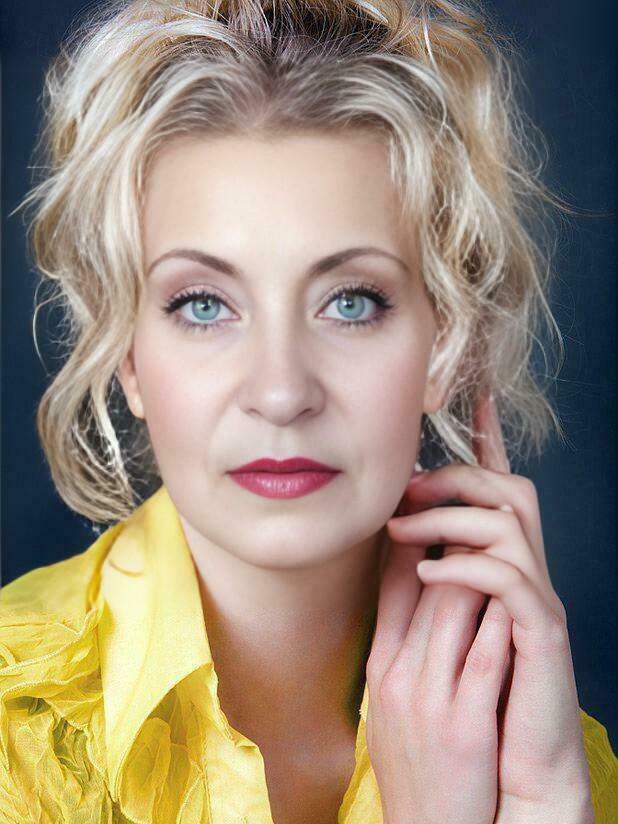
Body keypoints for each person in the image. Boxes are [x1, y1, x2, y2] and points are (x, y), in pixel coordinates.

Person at [1, 1, 616, 822]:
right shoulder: (13, 734)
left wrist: (546, 801)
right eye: (204, 305)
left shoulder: (545, 750)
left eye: (351, 302)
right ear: (128, 356)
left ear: (447, 342)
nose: (282, 392)